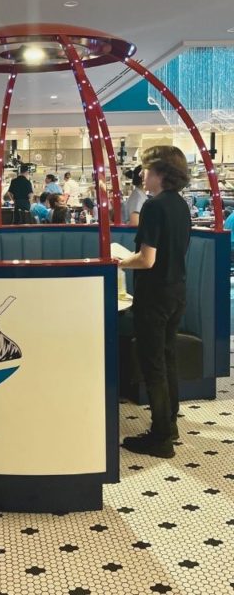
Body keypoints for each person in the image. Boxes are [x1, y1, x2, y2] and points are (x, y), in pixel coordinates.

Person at [116, 145, 192, 458]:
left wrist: (118, 260)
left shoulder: (154, 206)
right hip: (176, 291)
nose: (142, 175)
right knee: (168, 358)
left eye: (146, 169)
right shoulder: (180, 205)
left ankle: (160, 438)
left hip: (155, 295)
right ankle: (169, 425)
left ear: (159, 173)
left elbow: (146, 260)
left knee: (154, 365)